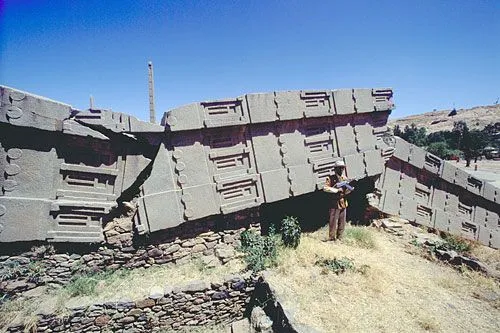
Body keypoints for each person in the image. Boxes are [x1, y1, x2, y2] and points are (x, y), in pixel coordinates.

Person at [323, 160, 353, 241]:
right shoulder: (330, 178)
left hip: (343, 202)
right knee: (333, 222)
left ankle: (340, 237)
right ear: (335, 169)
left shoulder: (344, 178)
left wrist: (348, 190)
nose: (341, 170)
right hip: (334, 203)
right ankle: (332, 238)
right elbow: (325, 188)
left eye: (342, 168)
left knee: (342, 222)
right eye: (339, 168)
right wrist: (336, 190)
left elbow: (347, 191)